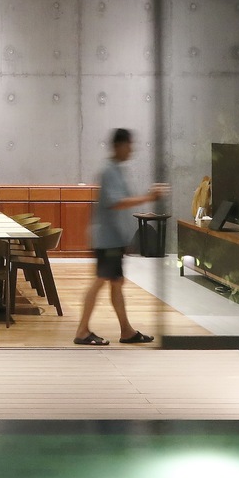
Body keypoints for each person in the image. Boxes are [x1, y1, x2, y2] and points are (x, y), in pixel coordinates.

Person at [74, 128, 166, 345]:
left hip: (112, 239)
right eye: (129, 145)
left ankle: (126, 330)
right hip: (107, 240)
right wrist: (148, 197)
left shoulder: (116, 169)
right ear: (119, 145)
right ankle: (82, 331)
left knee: (116, 282)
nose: (131, 149)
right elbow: (116, 202)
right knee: (101, 281)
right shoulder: (109, 171)